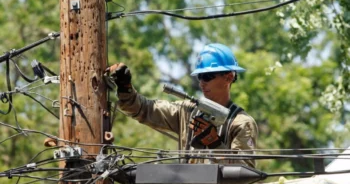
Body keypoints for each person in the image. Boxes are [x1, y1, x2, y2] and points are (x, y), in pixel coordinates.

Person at [107, 43, 258, 168]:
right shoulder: (187, 111)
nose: (201, 82)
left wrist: (215, 143)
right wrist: (125, 87)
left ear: (229, 77)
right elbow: (144, 110)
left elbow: (245, 172)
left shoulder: (241, 123)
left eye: (207, 76)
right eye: (200, 76)